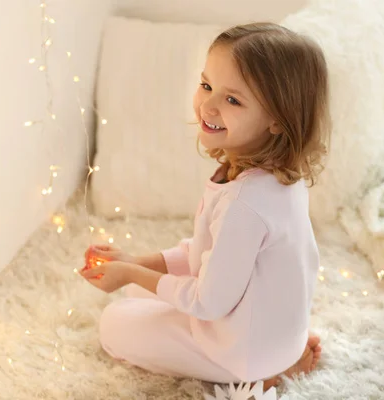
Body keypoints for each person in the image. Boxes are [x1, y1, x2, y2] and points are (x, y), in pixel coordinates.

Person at [80, 21, 330, 391]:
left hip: (244, 351)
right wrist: (134, 262)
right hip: (271, 329)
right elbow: (207, 254)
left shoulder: (244, 204)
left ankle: (268, 374)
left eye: (232, 100)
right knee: (138, 293)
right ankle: (281, 351)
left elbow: (207, 302)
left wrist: (132, 274)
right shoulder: (273, 178)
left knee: (115, 323)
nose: (207, 106)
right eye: (207, 86)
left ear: (278, 121)